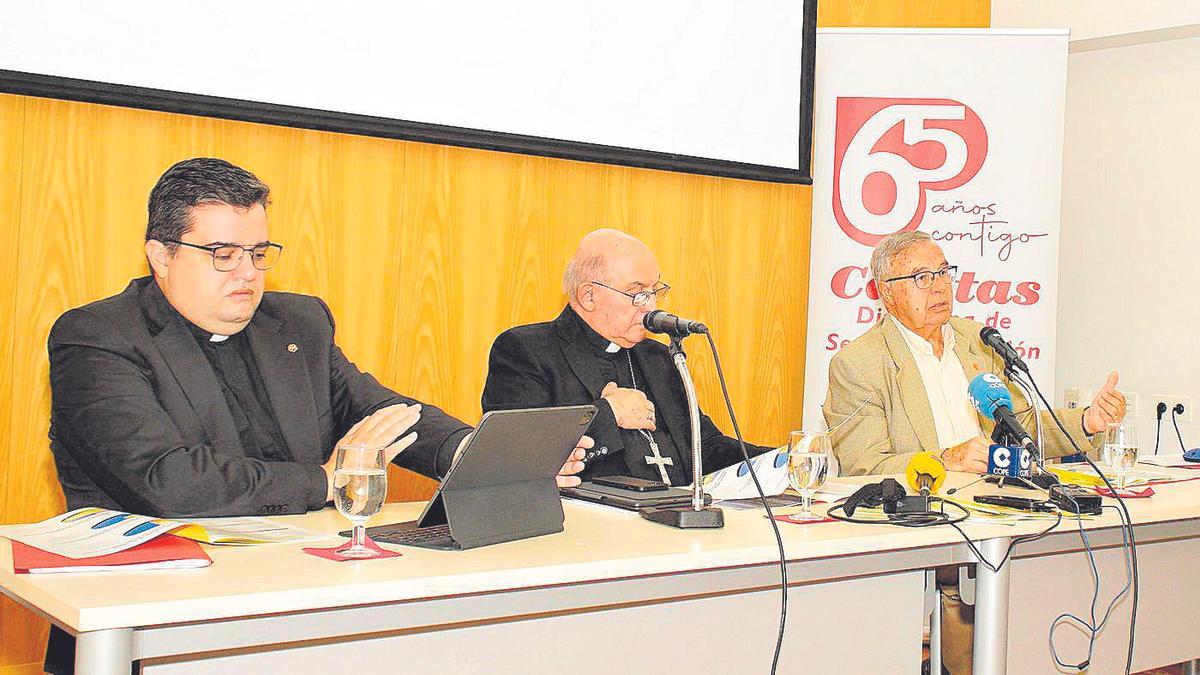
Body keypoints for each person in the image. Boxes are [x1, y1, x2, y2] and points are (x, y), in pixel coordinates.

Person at [44, 157, 589, 673]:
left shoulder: (297, 323)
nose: (247, 274)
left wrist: (474, 452)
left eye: (259, 253)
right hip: (150, 610)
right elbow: (166, 479)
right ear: (161, 256)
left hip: (298, 593)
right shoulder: (98, 336)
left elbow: (380, 410)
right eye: (223, 254)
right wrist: (328, 481)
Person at [822, 230, 1127, 675]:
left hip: (1005, 514)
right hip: (936, 533)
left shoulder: (977, 342)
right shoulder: (859, 364)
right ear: (885, 292)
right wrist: (947, 459)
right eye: (921, 278)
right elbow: (863, 467)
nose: (939, 287)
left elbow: (1020, 426)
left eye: (943, 273)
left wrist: (1086, 422)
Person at [481, 228, 772, 486]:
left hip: (676, 516)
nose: (651, 306)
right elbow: (516, 456)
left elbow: (704, 446)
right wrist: (609, 414)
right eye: (637, 293)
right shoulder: (526, 350)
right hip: (587, 525)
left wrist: (780, 459)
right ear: (589, 296)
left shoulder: (659, 357)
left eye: (655, 291)